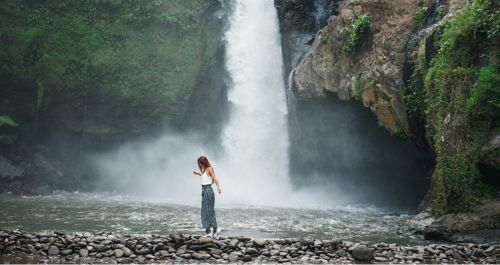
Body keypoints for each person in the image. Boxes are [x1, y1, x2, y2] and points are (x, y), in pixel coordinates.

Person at [193, 156, 221, 238]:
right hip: (204, 190)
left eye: (200, 163)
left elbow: (214, 177)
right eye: (199, 163)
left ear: (204, 162)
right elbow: (205, 176)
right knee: (205, 210)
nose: (199, 164)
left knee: (209, 210)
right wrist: (197, 174)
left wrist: (218, 187)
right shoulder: (204, 169)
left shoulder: (209, 168)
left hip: (208, 190)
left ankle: (215, 229)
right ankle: (208, 230)